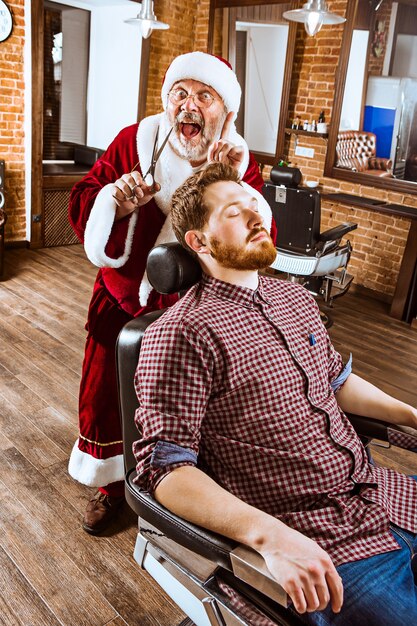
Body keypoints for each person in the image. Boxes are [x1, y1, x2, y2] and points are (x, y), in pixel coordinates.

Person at [133, 162, 417, 625]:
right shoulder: (184, 333)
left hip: (381, 493)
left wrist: (410, 415)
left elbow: (336, 381)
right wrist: (268, 537)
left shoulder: (295, 298)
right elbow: (166, 472)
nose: (254, 215)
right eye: (233, 211)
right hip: (315, 536)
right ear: (198, 242)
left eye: (253, 204)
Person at [68, 51, 276, 534]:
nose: (189, 105)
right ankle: (111, 485)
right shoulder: (134, 142)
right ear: (167, 101)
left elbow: (259, 239)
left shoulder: (237, 160)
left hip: (196, 313)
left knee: (181, 405)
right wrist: (113, 203)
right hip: (120, 300)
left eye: (204, 96)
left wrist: (236, 179)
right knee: (107, 396)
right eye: (180, 93)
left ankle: (181, 489)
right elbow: (82, 200)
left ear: (225, 110)